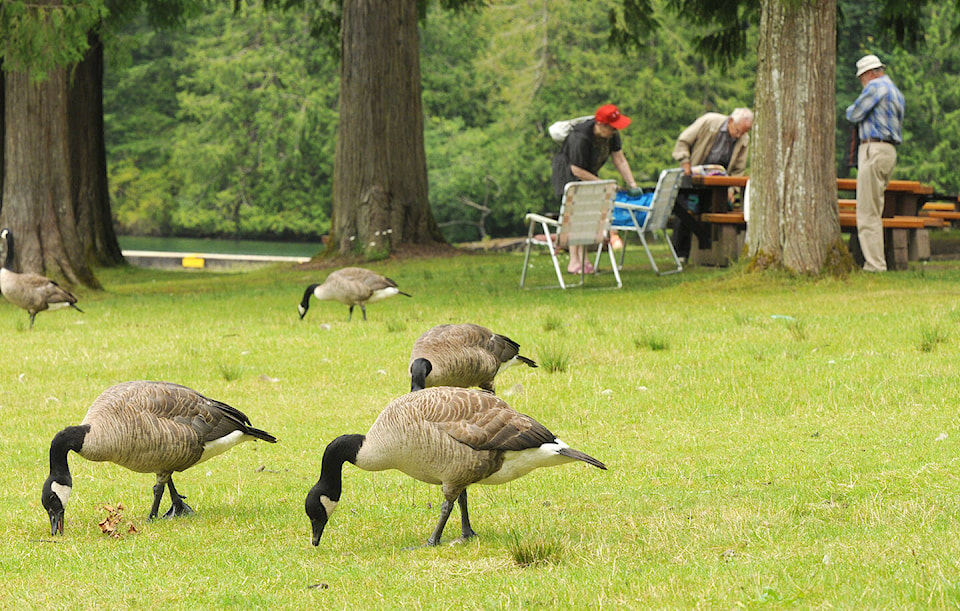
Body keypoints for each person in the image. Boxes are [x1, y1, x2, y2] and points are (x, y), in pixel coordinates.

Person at [551, 104, 639, 274]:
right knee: (576, 216)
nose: (614, 132)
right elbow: (576, 169)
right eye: (612, 128)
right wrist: (603, 184)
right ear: (600, 125)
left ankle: (584, 259)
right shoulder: (580, 137)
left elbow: (619, 159)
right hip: (569, 175)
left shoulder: (611, 135)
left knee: (587, 215)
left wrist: (632, 184)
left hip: (589, 173)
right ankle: (574, 261)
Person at [845, 54, 904, 272]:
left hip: (873, 149)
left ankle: (875, 265)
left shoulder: (875, 87)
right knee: (875, 209)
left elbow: (854, 114)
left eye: (861, 77)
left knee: (867, 212)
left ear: (869, 74)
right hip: (888, 152)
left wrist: (848, 110)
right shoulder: (896, 92)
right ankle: (877, 261)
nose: (862, 82)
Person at [670, 108, 754, 259]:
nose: (739, 135)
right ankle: (680, 253)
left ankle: (706, 252)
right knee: (684, 209)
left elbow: (738, 169)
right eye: (737, 131)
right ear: (730, 121)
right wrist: (685, 162)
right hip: (693, 175)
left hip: (718, 184)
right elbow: (683, 141)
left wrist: (731, 190)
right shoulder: (709, 121)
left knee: (716, 208)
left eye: (743, 132)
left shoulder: (743, 139)